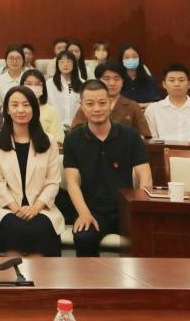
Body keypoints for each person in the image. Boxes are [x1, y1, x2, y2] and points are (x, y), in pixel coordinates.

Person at [64, 80, 152, 257]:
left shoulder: (130, 136)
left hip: (125, 208)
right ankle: (91, 276)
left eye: (102, 103)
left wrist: (138, 209)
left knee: (146, 236)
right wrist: (84, 213)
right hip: (93, 209)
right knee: (84, 237)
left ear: (110, 103)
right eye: (90, 104)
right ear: (82, 106)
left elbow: (145, 176)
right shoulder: (73, 139)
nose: (96, 109)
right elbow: (72, 182)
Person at [0, 86, 64, 256]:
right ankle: (14, 273)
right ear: (7, 110)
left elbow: (53, 182)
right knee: (13, 229)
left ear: (34, 109)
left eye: (26, 105)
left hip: (41, 208)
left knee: (40, 229)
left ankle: (37, 274)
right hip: (8, 208)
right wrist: (16, 208)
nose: (20, 110)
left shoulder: (49, 141)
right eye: (14, 105)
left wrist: (35, 208)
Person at [71, 63, 151, 137]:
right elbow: (74, 134)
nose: (112, 83)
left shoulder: (132, 106)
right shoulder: (88, 105)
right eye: (106, 78)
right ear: (98, 81)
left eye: (116, 79)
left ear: (122, 82)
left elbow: (145, 135)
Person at [145, 64, 190, 142]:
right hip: (163, 149)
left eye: (181, 80)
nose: (177, 84)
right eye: (171, 80)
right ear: (164, 84)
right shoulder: (153, 110)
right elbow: (151, 141)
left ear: (189, 84)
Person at [20, 69, 64, 145]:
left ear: (43, 87)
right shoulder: (17, 109)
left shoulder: (51, 111)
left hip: (45, 149)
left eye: (37, 84)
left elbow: (58, 141)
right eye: (29, 84)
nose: (33, 87)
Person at [47, 51, 86, 126]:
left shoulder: (83, 83)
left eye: (68, 62)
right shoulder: (49, 84)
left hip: (77, 126)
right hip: (55, 125)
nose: (65, 65)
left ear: (74, 64)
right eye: (61, 62)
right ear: (57, 65)